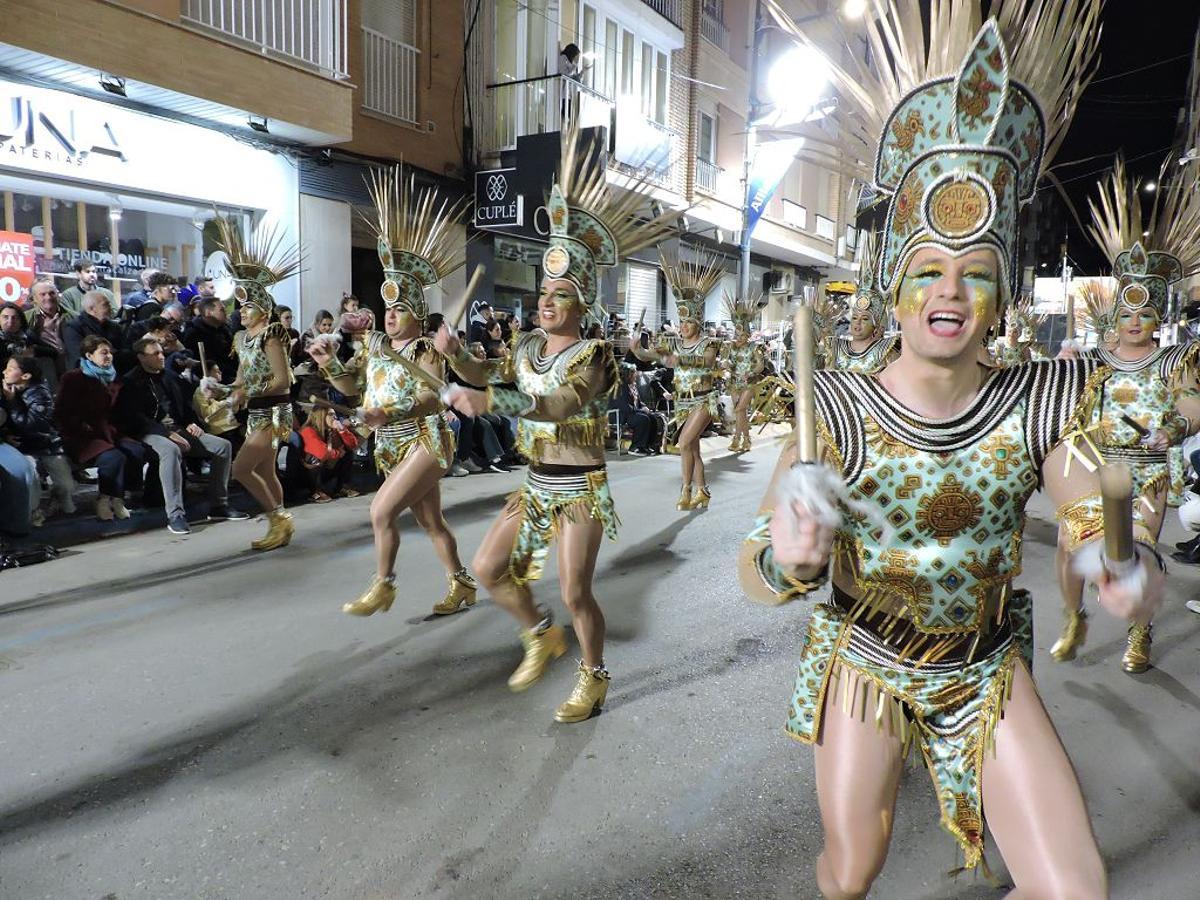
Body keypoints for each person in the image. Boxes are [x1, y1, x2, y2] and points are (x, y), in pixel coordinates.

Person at [738, 8, 1160, 894]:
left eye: (975, 272)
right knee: (851, 870)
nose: (951, 291)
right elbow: (757, 568)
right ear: (894, 288)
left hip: (985, 665)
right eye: (928, 268)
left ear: (1000, 294)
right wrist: (786, 555)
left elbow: (1098, 516)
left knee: (1076, 887)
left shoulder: (1036, 399)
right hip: (866, 663)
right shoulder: (839, 410)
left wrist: (1124, 562)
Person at [435, 124, 675, 722]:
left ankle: (593, 675)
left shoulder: (593, 357)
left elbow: (561, 406)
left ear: (582, 304)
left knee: (576, 591)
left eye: (560, 294)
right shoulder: (525, 346)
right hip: (535, 484)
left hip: (579, 490)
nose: (546, 302)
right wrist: (453, 353)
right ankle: (539, 632)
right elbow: (488, 372)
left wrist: (495, 406)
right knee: (489, 569)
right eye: (544, 291)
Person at [1051, 153, 1200, 673]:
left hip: (1148, 472)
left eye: (1146, 314)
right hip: (1094, 468)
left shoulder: (1175, 359)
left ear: (1158, 318)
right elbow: (1062, 406)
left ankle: (1140, 632)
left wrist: (1174, 428)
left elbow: (1192, 405)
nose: (1135, 322)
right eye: (1128, 313)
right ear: (1115, 314)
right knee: (1072, 547)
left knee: (1136, 554)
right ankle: (1074, 616)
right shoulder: (1092, 362)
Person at [311, 163, 477, 616]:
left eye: (399, 309)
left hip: (426, 438)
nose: (389, 316)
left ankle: (384, 584)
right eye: (387, 308)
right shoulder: (377, 346)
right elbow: (352, 387)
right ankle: (462, 584)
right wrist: (329, 368)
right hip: (390, 443)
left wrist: (389, 414)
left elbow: (430, 395)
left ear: (417, 314)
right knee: (429, 519)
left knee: (381, 512)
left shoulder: (426, 346)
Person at [214, 218, 299, 551]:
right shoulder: (240, 337)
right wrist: (222, 390)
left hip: (275, 413)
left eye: (248, 306)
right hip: (255, 413)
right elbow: (241, 380)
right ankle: (279, 525)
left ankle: (279, 519)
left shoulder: (272, 335)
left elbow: (281, 381)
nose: (242, 312)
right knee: (265, 469)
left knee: (241, 469)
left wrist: (246, 392)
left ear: (263, 309)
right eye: (240, 306)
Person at [114, 337, 245, 534]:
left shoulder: (170, 377)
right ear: (141, 357)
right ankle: (175, 514)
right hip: (149, 431)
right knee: (170, 450)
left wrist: (192, 423)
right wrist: (166, 433)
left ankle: (219, 505)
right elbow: (135, 418)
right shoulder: (130, 382)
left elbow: (185, 405)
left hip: (177, 428)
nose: (161, 356)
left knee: (222, 446)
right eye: (155, 353)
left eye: (161, 352)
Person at [631, 254, 724, 510]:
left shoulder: (710, 343)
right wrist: (637, 349)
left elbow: (706, 363)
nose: (683, 327)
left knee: (683, 442)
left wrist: (677, 361)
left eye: (687, 322)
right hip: (682, 401)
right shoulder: (673, 343)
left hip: (704, 399)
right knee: (692, 449)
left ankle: (685, 490)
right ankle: (702, 490)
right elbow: (649, 356)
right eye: (681, 322)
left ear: (697, 322)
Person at [55, 335, 142, 521]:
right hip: (82, 434)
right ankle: (104, 499)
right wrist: (83, 426)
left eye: (110, 352)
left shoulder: (115, 378)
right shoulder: (73, 378)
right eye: (104, 352)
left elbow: (120, 411)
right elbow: (62, 412)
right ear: (89, 355)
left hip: (109, 432)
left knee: (136, 450)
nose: (109, 356)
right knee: (113, 457)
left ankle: (118, 498)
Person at [1, 356, 76, 518]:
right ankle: (31, 512)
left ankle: (56, 498)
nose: (4, 372)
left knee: (66, 485)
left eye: (11, 369)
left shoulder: (39, 392)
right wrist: (6, 435)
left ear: (26, 376)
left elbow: (33, 423)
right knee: (30, 476)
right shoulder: (4, 390)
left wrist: (13, 402)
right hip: (20, 446)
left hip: (46, 443)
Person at [829, 230, 899, 374]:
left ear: (877, 326)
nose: (857, 323)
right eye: (855, 318)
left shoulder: (886, 351)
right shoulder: (836, 348)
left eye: (865, 318)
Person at [722, 293, 765, 453]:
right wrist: (725, 364)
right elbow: (728, 362)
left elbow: (760, 365)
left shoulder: (754, 348)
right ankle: (745, 440)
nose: (738, 338)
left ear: (747, 335)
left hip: (749, 382)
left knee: (740, 410)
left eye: (742, 335)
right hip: (734, 382)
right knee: (740, 412)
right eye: (736, 335)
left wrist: (751, 372)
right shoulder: (731, 347)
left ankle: (737, 438)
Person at [298, 408, 359, 503]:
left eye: (335, 414)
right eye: (330, 414)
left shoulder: (333, 430)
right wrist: (338, 453)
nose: (335, 417)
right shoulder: (308, 430)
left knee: (348, 450)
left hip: (327, 468)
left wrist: (342, 430)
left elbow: (353, 444)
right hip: (306, 473)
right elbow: (322, 453)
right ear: (320, 416)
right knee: (314, 458)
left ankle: (342, 487)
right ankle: (315, 492)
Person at [64, 290, 125, 371]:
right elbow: (79, 356)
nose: (110, 307)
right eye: (105, 305)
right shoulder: (74, 328)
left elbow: (123, 350)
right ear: (92, 309)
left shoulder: (115, 327)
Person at [25, 279, 73, 382]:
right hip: (42, 373)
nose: (48, 297)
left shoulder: (74, 317)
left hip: (70, 369)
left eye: (52, 293)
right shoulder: (25, 318)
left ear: (58, 295)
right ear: (34, 299)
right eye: (43, 294)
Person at [610, 364, 663, 455]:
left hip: (631, 413)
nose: (636, 375)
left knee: (652, 418)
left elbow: (638, 401)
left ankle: (647, 445)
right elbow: (625, 406)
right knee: (642, 419)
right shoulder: (620, 387)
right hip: (621, 414)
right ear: (628, 374)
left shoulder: (632, 386)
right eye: (634, 372)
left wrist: (644, 407)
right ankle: (635, 447)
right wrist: (642, 410)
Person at [192, 362, 243, 454]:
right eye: (216, 370)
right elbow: (206, 414)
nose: (220, 372)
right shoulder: (200, 391)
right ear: (207, 373)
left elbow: (235, 405)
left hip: (234, 425)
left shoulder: (221, 388)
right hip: (222, 430)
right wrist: (226, 402)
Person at [1, 302, 56, 371]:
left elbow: (53, 352)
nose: (10, 321)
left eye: (14, 318)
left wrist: (33, 351)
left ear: (21, 321)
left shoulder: (28, 335)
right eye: (5, 317)